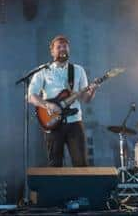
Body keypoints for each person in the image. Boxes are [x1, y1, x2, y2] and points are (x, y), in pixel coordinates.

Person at [28, 35, 97, 167]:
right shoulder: (43, 70)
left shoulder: (78, 70)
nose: (62, 49)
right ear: (52, 51)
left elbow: (85, 99)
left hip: (74, 122)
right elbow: (31, 96)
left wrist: (93, 90)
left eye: (65, 46)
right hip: (52, 123)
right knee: (55, 165)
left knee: (81, 164)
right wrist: (47, 104)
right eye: (58, 47)